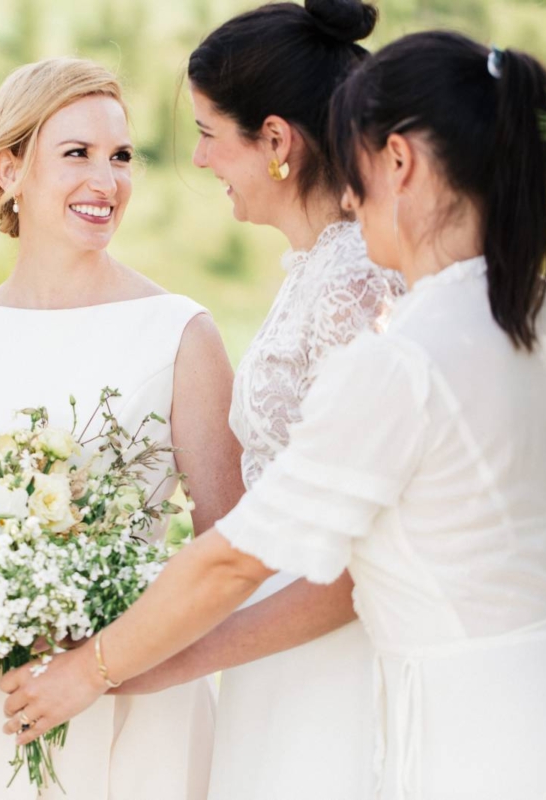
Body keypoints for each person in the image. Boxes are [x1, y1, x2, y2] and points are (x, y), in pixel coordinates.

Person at [0, 33, 546, 800]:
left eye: (355, 167)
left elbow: (233, 560)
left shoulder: (402, 360)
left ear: (399, 163)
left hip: (472, 747)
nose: (348, 195)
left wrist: (98, 669)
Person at [0, 57, 244, 800]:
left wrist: (103, 656)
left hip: (133, 706)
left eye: (122, 157)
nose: (107, 182)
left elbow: (227, 549)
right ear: (9, 169)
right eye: (77, 154)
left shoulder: (180, 334)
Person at [112, 3, 403, 797]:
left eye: (209, 132)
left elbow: (360, 547)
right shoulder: (317, 267)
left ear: (275, 141)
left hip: (330, 655)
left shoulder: (354, 283)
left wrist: (171, 652)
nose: (201, 159)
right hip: (276, 642)